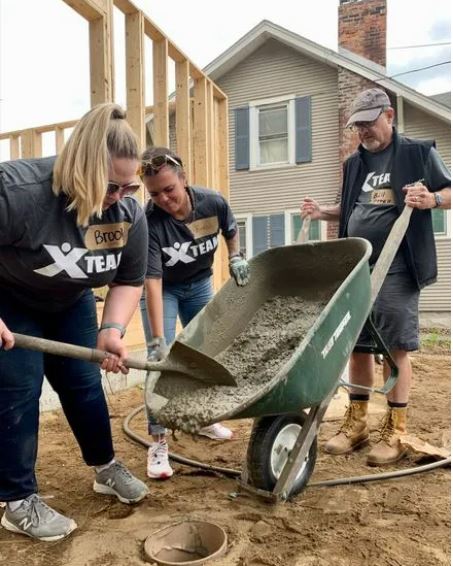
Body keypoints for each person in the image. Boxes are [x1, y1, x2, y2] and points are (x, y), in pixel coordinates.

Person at [0, 103, 150, 542]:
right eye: (111, 185)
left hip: (70, 300)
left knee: (84, 384)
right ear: (79, 166)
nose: (120, 196)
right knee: (20, 388)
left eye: (130, 186)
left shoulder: (128, 214)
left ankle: (105, 467)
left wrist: (112, 330)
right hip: (10, 298)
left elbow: (129, 278)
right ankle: (17, 501)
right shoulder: (17, 192)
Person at [301, 88, 451, 466]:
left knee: (394, 345)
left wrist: (431, 200)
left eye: (369, 122)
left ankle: (396, 429)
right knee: (357, 344)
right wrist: (322, 213)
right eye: (358, 125)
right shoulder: (354, 164)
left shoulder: (418, 153)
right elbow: (351, 209)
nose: (363, 131)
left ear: (389, 116)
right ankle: (357, 423)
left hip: (399, 264)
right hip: (357, 266)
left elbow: (449, 191)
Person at [139, 147, 250, 480]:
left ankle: (202, 419)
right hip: (166, 290)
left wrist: (236, 257)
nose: (164, 198)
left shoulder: (212, 203)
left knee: (206, 352)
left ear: (183, 179)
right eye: (155, 193)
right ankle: (158, 441)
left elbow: (230, 230)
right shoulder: (150, 222)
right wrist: (159, 338)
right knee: (160, 363)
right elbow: (153, 282)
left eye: (169, 189)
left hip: (199, 284)